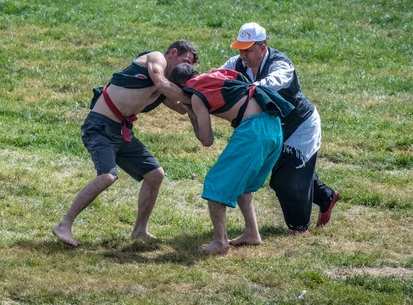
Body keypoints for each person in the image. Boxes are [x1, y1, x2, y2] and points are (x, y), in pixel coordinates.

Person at [52, 40, 199, 247]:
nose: (183, 69)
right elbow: (160, 83)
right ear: (173, 53)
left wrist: (200, 93)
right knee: (107, 176)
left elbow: (181, 108)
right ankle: (64, 225)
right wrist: (189, 96)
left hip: (121, 131)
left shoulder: (167, 87)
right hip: (100, 127)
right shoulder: (156, 58)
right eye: (184, 61)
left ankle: (140, 231)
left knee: (155, 174)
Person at [220, 22, 339, 235]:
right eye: (240, 48)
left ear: (262, 48)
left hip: (300, 126)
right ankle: (326, 196)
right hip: (272, 128)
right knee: (290, 172)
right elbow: (219, 78)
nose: (242, 54)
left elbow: (273, 82)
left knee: (285, 181)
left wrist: (249, 88)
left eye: (247, 49)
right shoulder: (236, 63)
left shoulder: (281, 64)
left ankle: (299, 229)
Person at [169, 63, 293, 254]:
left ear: (181, 86)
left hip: (253, 130)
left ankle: (220, 242)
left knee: (215, 183)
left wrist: (191, 111)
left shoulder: (195, 94)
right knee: (244, 185)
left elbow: (206, 140)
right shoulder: (217, 75)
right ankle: (252, 233)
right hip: (274, 125)